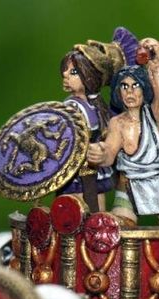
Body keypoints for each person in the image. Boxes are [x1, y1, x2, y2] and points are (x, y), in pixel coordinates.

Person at [87, 38, 159, 227]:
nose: (130, 92)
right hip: (129, 182)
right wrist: (100, 153)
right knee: (121, 225)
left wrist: (157, 64)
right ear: (118, 91)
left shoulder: (155, 116)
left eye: (135, 86)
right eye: (124, 86)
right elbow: (110, 152)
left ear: (144, 88)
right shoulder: (117, 123)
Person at [58, 42, 123, 212]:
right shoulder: (70, 108)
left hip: (95, 170)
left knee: (97, 208)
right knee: (77, 210)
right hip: (75, 174)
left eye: (73, 72)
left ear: (90, 76)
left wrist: (103, 148)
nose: (65, 74)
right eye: (65, 70)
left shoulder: (98, 105)